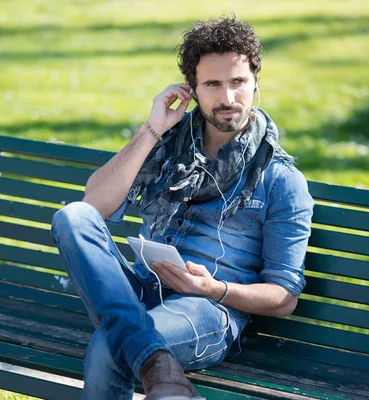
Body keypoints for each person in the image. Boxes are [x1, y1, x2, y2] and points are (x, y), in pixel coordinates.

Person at [51, 16, 314, 400]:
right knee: (71, 216)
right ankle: (154, 358)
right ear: (192, 89)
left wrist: (212, 288)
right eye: (213, 84)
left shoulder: (280, 179)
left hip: (207, 309)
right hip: (142, 289)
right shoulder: (167, 147)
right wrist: (152, 128)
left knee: (110, 347)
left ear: (256, 82)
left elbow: (284, 297)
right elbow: (94, 205)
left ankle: (144, 351)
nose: (228, 98)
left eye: (238, 82)